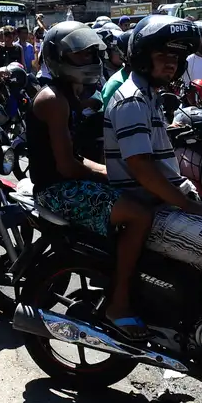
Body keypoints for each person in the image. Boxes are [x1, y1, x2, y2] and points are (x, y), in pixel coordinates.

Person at [104, 14, 202, 381]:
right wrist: (188, 205)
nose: (171, 64)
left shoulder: (150, 95)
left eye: (176, 58)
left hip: (160, 200)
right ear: (142, 55)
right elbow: (142, 168)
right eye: (163, 55)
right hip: (148, 205)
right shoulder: (132, 100)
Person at [29, 22, 153, 339]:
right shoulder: (53, 100)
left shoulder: (75, 95)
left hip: (70, 181)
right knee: (139, 215)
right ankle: (119, 303)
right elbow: (68, 166)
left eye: (91, 53)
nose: (90, 60)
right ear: (58, 57)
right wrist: (112, 174)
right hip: (57, 190)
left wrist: (118, 170)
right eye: (80, 54)